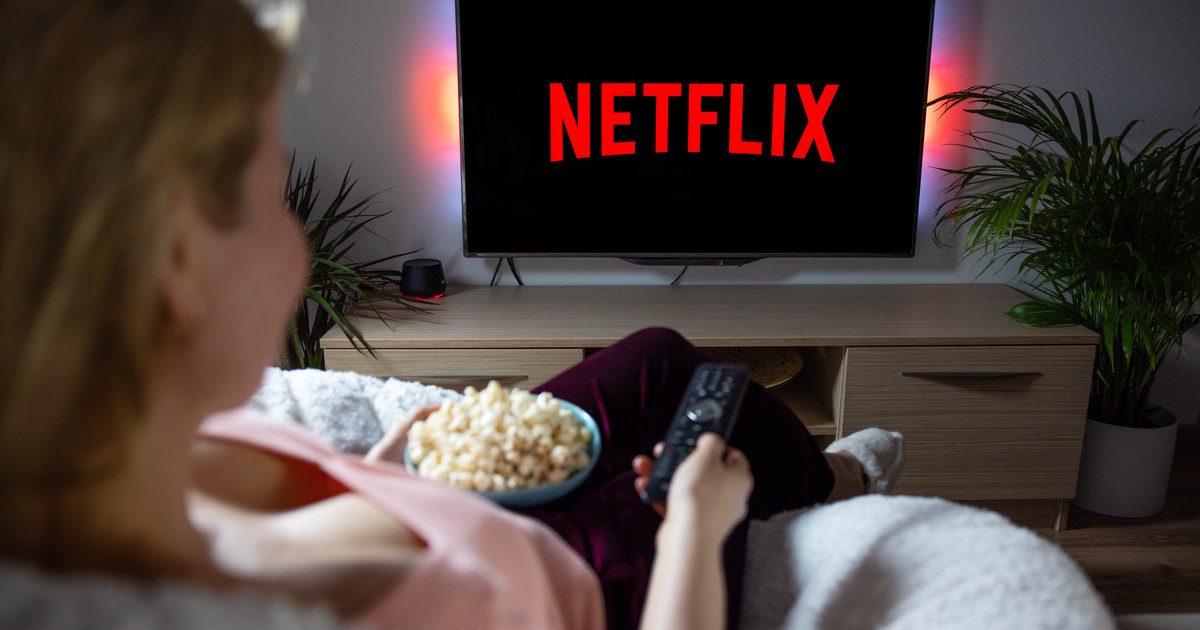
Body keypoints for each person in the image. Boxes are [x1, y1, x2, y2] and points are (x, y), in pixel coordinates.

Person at [0, 1, 900, 629]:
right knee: (699, 446)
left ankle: (825, 474)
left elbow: (297, 534)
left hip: (463, 509)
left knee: (662, 361)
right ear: (180, 269)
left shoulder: (137, 458)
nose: (303, 244)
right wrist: (697, 525)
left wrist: (394, 475)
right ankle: (841, 483)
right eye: (274, 194)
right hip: (592, 579)